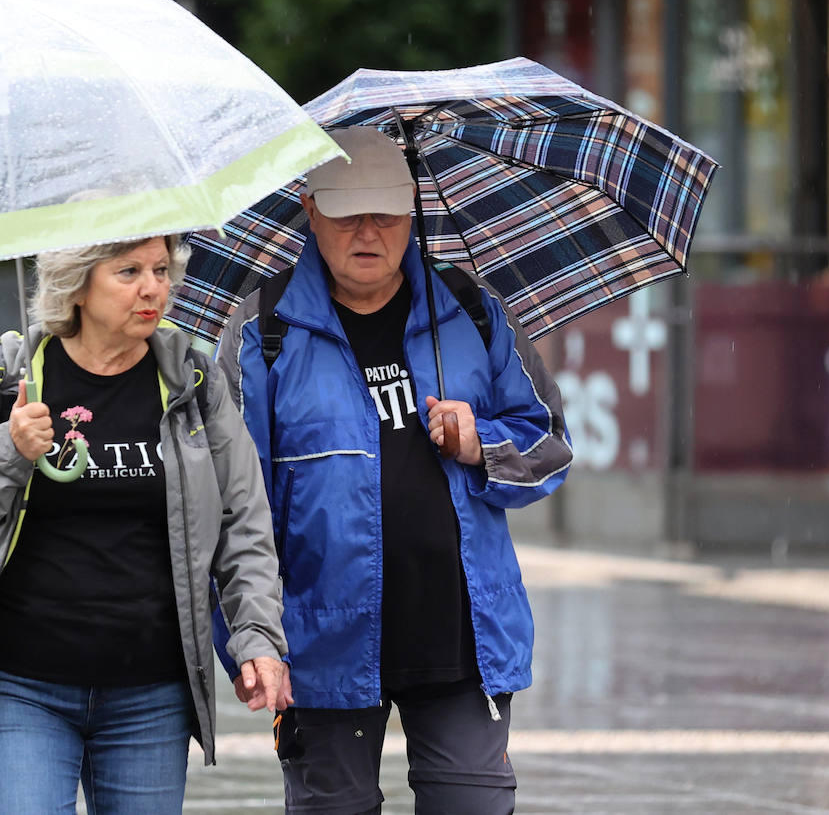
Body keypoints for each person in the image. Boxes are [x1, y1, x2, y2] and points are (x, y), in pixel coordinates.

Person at [213, 127, 573, 814]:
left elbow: (550, 442)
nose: (368, 232)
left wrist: (481, 444)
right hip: (321, 640)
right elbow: (231, 505)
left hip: (463, 636)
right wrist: (250, 642)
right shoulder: (263, 331)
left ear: (414, 213)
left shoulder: (471, 311)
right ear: (311, 210)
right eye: (348, 214)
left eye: (385, 213)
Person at [0, 234, 292, 815]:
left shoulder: (195, 386)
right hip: (21, 684)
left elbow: (244, 528)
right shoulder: (5, 378)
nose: (152, 287)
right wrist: (8, 448)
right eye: (128, 270)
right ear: (78, 284)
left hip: (151, 690)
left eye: (161, 269)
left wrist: (257, 637)